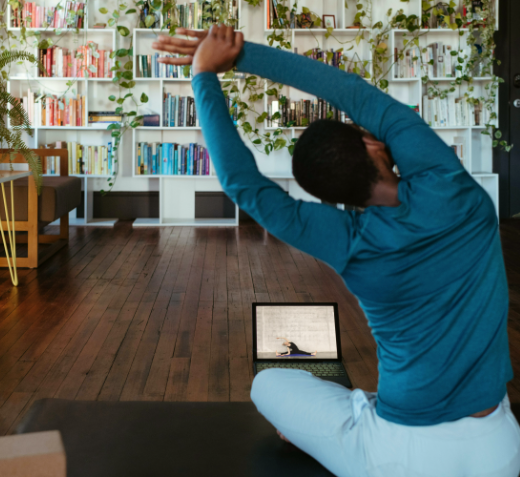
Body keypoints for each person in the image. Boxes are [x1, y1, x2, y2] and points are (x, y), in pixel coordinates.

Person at [152, 25, 520, 477]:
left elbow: (243, 186)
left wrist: (202, 76)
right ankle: (358, 409)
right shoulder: (453, 189)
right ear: (371, 142)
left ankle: (352, 413)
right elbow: (352, 92)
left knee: (269, 383)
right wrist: (234, 55)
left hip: (399, 454)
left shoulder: (352, 242)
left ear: (331, 196)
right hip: (499, 448)